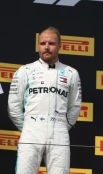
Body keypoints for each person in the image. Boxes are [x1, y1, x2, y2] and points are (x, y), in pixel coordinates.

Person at [8, 26, 82, 174]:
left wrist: (62, 125)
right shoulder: (25, 71)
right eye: (42, 43)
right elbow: (14, 105)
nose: (46, 47)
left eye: (51, 43)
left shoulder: (71, 73)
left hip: (59, 132)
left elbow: (75, 106)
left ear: (60, 46)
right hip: (31, 131)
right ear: (38, 46)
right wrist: (28, 126)